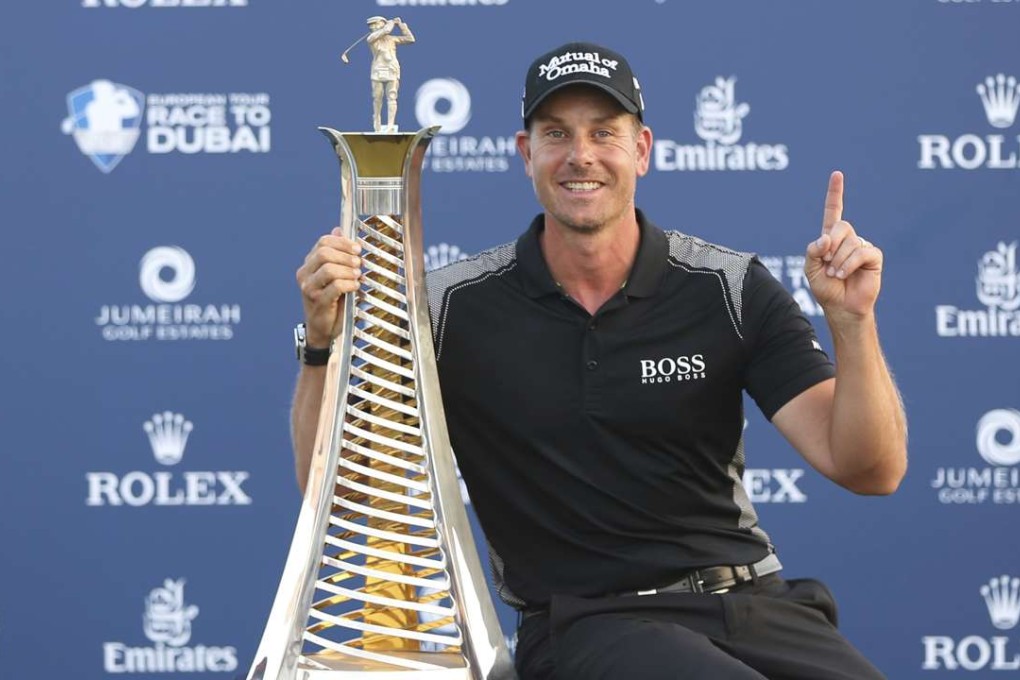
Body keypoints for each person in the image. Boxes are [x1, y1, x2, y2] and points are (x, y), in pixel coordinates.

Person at [292, 42, 907, 680]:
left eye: (604, 133)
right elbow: (340, 494)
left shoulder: (728, 286)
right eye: (556, 133)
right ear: (525, 153)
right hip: (585, 628)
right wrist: (321, 345)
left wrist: (852, 322)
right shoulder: (449, 308)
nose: (580, 155)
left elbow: (870, 469)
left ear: (641, 149)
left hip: (753, 606)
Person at [365, 15, 414, 132]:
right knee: (377, 98)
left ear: (381, 23)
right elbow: (386, 30)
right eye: (372, 25)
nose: (373, 27)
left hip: (392, 69)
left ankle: (390, 125)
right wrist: (391, 23)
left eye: (376, 24)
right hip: (378, 71)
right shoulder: (372, 38)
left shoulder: (392, 39)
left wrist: (402, 26)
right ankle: (377, 123)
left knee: (392, 97)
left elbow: (410, 39)